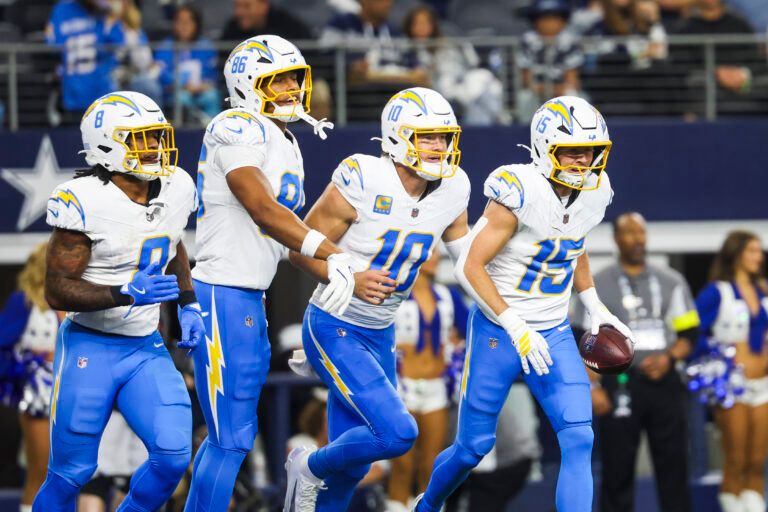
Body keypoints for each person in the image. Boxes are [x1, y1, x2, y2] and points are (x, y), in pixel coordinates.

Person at [413, 96, 633, 512]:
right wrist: (515, 325)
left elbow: (573, 240)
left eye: (590, 150)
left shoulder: (594, 192)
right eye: (571, 150)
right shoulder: (518, 189)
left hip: (552, 330)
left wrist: (593, 304)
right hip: (499, 329)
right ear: (544, 147)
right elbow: (468, 266)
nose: (583, 159)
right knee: (472, 448)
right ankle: (427, 506)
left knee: (579, 436)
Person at [185, 34, 357, 512]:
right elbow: (262, 209)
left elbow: (285, 242)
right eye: (275, 79)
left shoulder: (284, 139)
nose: (288, 89)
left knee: (234, 438)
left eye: (293, 79)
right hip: (222, 292)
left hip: (249, 297)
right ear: (245, 84)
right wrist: (330, 251)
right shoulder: (236, 125)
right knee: (229, 440)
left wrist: (339, 275)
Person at [285, 86, 471, 512]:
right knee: (397, 434)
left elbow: (468, 258)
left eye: (444, 136)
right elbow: (298, 250)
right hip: (334, 322)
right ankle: (307, 464)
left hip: (379, 329)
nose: (439, 146)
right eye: (427, 136)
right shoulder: (364, 177)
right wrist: (349, 276)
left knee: (354, 465)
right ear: (396, 136)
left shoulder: (454, 186)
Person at [32, 90, 203, 511]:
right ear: (107, 145)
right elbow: (56, 289)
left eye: (157, 136)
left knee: (173, 456)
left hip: (145, 345)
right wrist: (123, 292)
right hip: (91, 344)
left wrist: (187, 302)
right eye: (142, 138)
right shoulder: (86, 201)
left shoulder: (177, 185)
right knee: (71, 472)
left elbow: (173, 239)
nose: (156, 148)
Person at [572, 211, 700, 512]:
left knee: (674, 466)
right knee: (617, 469)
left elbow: (689, 334)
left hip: (664, 382)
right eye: (629, 233)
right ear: (617, 239)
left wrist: (669, 358)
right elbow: (581, 340)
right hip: (619, 384)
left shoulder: (672, 281)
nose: (637, 238)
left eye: (641, 232)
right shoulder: (597, 284)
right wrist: (593, 388)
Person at [387, 249, 468, 510]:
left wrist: (458, 348)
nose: (435, 258)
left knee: (432, 466)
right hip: (402, 388)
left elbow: (472, 328)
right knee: (402, 465)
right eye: (429, 253)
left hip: (436, 387)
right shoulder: (393, 294)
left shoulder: (448, 296)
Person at [695, 231, 768, 512]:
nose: (758, 257)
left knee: (757, 460)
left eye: (759, 251)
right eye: (752, 251)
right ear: (735, 254)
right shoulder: (716, 291)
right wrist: (719, 353)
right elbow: (690, 329)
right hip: (731, 385)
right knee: (735, 458)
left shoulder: (762, 291)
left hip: (763, 385)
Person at [0, 243, 59, 512]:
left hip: (74, 388)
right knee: (40, 468)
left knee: (69, 472)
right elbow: (4, 343)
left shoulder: (79, 297)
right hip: (39, 390)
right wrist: (32, 360)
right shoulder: (25, 300)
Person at [403, 5, 505, 126]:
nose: (422, 27)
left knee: (485, 80)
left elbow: (470, 63)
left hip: (458, 86)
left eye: (426, 23)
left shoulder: (444, 45)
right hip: (432, 94)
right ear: (410, 27)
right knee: (478, 90)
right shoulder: (407, 49)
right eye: (418, 23)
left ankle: (490, 124)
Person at [516, 0, 584, 122]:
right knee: (524, 96)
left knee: (572, 95)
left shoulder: (569, 41)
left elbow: (572, 80)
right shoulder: (527, 41)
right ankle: (527, 129)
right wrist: (542, 90)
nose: (549, 23)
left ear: (563, 21)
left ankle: (573, 131)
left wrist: (555, 91)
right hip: (536, 90)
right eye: (544, 19)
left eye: (554, 18)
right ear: (535, 21)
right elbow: (526, 80)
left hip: (561, 89)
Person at [155, 5, 221, 122]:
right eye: (180, 21)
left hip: (200, 91)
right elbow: (161, 75)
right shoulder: (165, 46)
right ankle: (187, 132)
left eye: (188, 22)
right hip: (176, 92)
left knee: (212, 96)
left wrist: (201, 86)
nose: (184, 26)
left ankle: (212, 130)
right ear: (174, 24)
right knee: (182, 98)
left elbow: (212, 75)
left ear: (196, 24)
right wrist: (182, 85)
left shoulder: (205, 46)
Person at [219, 0, 312, 43]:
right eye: (237, 6)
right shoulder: (232, 28)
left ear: (264, 6)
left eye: (246, 6)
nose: (239, 12)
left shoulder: (290, 26)